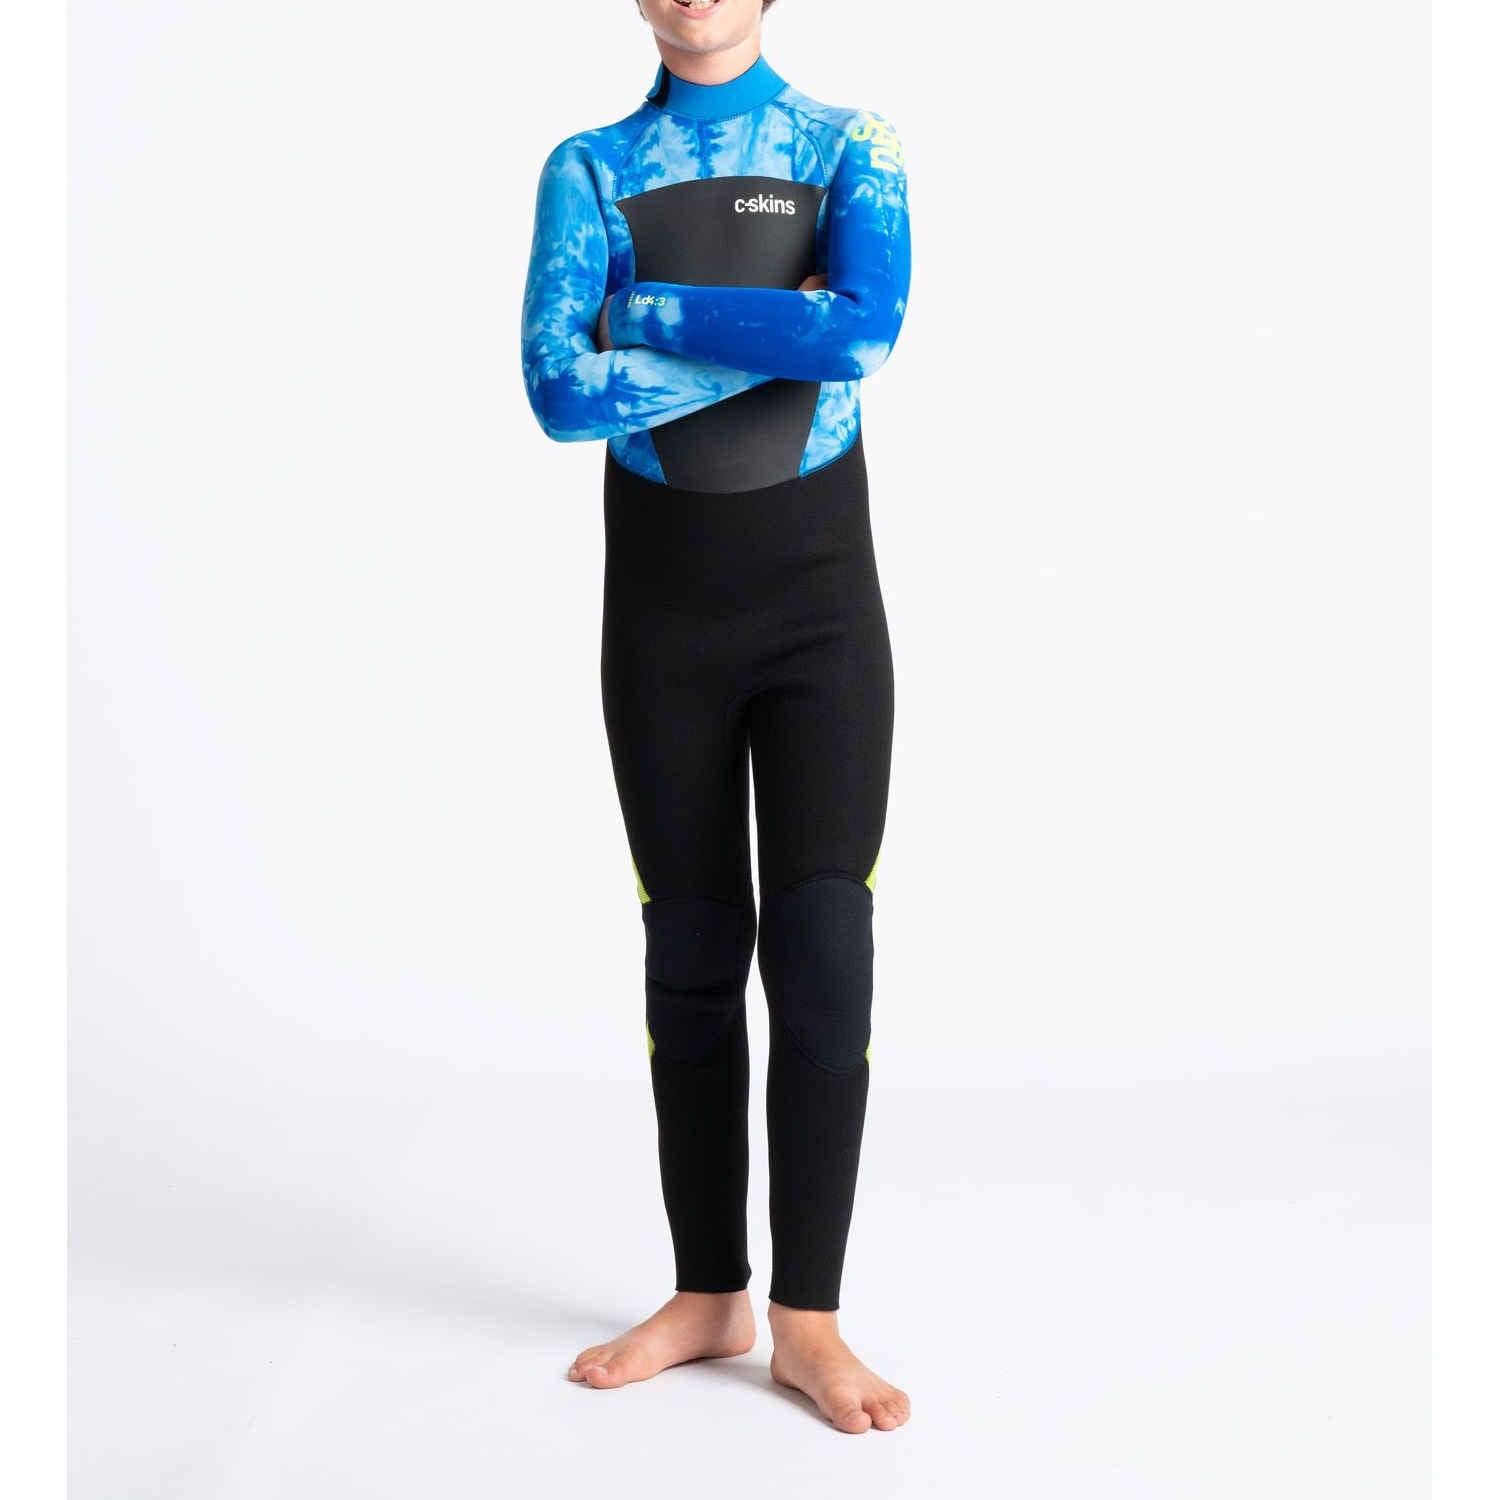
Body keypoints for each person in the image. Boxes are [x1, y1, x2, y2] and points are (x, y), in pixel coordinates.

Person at [520, 0, 912, 1434]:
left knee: (823, 950)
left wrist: (647, 310)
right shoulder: (589, 167)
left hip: (820, 617)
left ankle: (808, 1321)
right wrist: (779, 329)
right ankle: (708, 1295)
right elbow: (562, 394)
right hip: (663, 623)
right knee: (690, 952)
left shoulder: (849, 145)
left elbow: (861, 335)